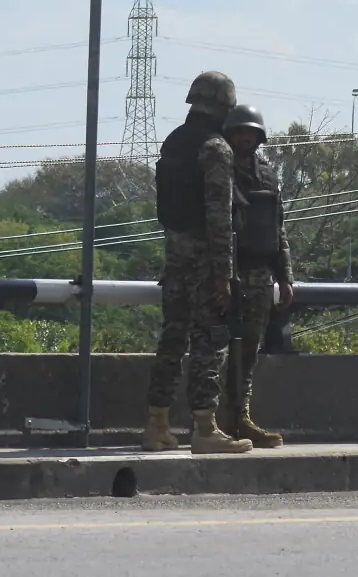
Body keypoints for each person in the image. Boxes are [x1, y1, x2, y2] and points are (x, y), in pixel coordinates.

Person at [142, 71, 251, 454]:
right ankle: (204, 429)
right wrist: (223, 275)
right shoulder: (215, 148)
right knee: (208, 343)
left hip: (174, 257)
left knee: (171, 341)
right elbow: (219, 217)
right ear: (223, 106)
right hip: (205, 261)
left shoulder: (174, 142)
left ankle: (157, 426)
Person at [221, 104, 293, 448]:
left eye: (249, 133)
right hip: (227, 274)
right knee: (219, 349)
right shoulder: (219, 171)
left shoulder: (268, 176)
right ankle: (217, 420)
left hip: (261, 274)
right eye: (238, 132)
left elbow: (279, 229)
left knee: (249, 351)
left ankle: (243, 418)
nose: (243, 138)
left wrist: (286, 277)